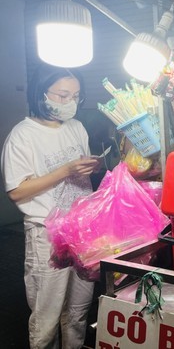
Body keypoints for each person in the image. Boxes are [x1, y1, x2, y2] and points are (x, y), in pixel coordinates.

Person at [1, 64, 99, 349]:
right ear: (41, 93)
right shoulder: (23, 135)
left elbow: (80, 173)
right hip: (46, 235)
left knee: (78, 312)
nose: (70, 103)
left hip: (82, 231)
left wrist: (93, 166)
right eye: (62, 95)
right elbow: (17, 192)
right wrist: (66, 170)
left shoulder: (77, 127)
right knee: (47, 316)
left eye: (76, 96)